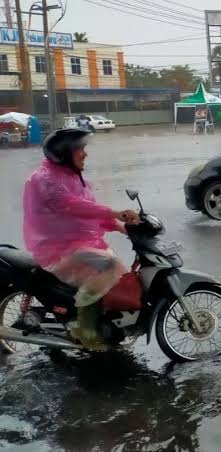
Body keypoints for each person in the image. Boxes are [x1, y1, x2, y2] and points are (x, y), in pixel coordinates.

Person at [23, 128, 139, 350]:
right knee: (108, 265)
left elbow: (91, 214)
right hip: (56, 248)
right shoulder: (45, 179)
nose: (85, 154)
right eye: (79, 150)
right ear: (64, 153)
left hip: (79, 244)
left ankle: (105, 323)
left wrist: (126, 228)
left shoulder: (74, 178)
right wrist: (115, 213)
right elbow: (72, 206)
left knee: (120, 274)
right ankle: (84, 328)